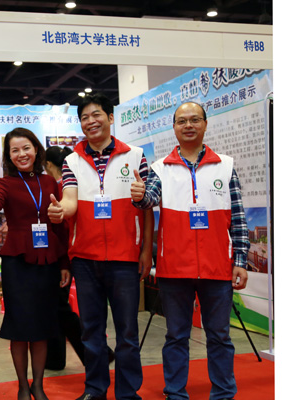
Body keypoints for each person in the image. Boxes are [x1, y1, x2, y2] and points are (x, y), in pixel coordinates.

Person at [131, 101, 250, 400]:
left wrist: (240, 260)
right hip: (174, 269)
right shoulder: (160, 168)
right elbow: (150, 198)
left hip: (217, 267)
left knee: (220, 336)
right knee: (176, 336)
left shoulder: (225, 165)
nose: (188, 125)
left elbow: (237, 217)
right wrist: (140, 196)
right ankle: (175, 393)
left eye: (194, 119)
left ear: (205, 124)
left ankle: (224, 393)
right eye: (182, 121)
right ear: (173, 127)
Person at [47, 93, 154, 400]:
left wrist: (146, 250)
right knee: (91, 330)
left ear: (110, 117)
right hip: (85, 259)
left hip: (125, 258)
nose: (91, 121)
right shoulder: (71, 161)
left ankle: (127, 392)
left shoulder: (135, 155)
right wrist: (61, 210)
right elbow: (70, 199)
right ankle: (95, 389)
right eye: (84, 117)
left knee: (127, 332)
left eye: (96, 115)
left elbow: (147, 206)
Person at [0, 128, 71, 400]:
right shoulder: (4, 183)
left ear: (36, 149)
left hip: (47, 261)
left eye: (26, 148)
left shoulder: (49, 182)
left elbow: (60, 226)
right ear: (9, 156)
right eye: (14, 150)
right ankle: (22, 387)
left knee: (41, 327)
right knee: (19, 326)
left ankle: (38, 385)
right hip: (17, 264)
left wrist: (64, 262)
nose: (21, 154)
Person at [43, 145, 86, 370]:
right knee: (56, 307)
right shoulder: (65, 186)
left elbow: (61, 227)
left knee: (58, 306)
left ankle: (90, 353)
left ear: (48, 164)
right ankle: (56, 359)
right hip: (64, 252)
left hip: (62, 253)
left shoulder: (59, 188)